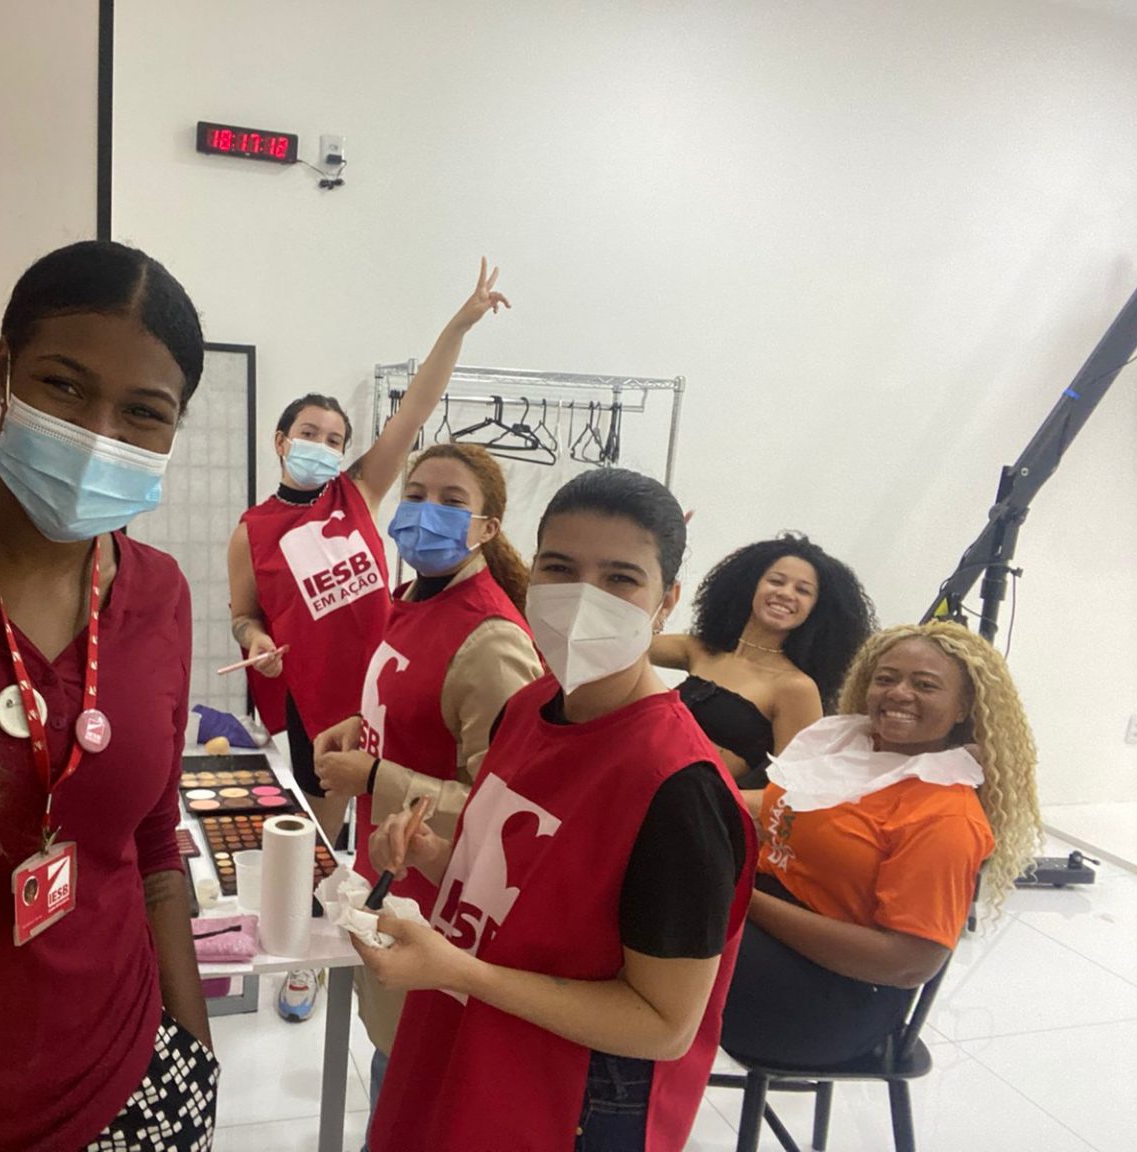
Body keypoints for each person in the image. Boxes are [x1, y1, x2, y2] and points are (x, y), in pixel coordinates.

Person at [356, 469, 756, 1152]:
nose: (581, 599)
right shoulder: (528, 707)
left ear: (666, 602)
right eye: (560, 569)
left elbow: (665, 1024)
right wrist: (437, 856)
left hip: (571, 1092)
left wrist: (458, 972)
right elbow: (533, 893)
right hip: (474, 1029)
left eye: (620, 578)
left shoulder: (679, 789)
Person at [0, 241, 217, 1151]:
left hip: (128, 1078)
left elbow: (154, 839)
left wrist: (194, 1056)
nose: (98, 435)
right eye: (64, 386)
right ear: (3, 371)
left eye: (144, 413)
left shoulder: (159, 594)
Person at [228, 259, 509, 1022]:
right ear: (281, 440)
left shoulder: (358, 492)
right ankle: (311, 964)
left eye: (335, 436)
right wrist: (256, 639)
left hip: (389, 691)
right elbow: (242, 614)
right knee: (322, 845)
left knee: (392, 833)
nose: (323, 444)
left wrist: (458, 325)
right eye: (309, 434)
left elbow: (415, 410)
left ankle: (385, 947)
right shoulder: (251, 530)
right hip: (316, 705)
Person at [311, 441, 543, 1125]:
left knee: (416, 1074)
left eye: (451, 501)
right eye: (415, 495)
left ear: (487, 528)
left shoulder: (492, 639)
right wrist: (362, 724)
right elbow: (422, 704)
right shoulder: (411, 598)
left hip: (441, 901)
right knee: (393, 1053)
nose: (424, 512)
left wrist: (375, 776)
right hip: (392, 871)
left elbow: (505, 805)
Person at [720, 621, 1041, 1067]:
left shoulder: (944, 814)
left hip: (832, 1001)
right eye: (886, 678)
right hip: (779, 926)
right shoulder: (851, 750)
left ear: (964, 706)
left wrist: (742, 900)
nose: (899, 693)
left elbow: (909, 963)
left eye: (925, 685)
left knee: (667, 930)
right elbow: (778, 803)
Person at [651, 534, 876, 786]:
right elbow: (627, 644)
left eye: (803, 590)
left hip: (688, 802)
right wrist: (655, 558)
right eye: (776, 581)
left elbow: (789, 789)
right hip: (635, 777)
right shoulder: (700, 649)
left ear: (818, 609)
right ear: (750, 585)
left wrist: (718, 801)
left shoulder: (796, 688)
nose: (786, 593)